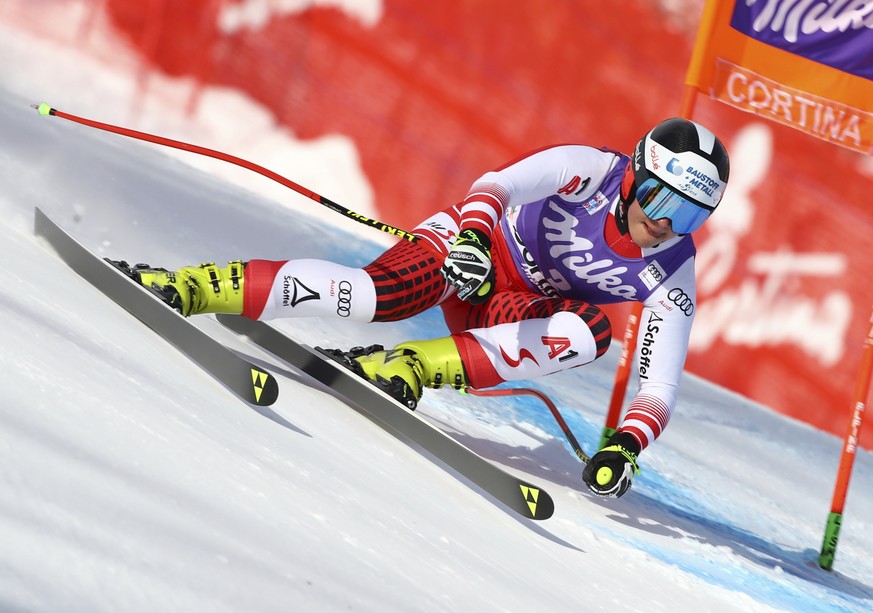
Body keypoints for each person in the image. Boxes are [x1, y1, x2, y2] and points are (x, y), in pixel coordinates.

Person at [131, 117, 730, 498]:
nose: (663, 223)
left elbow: (658, 385)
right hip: (475, 246)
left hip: (510, 310)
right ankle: (196, 285)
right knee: (370, 297)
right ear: (635, 177)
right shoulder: (592, 171)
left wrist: (626, 443)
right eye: (658, 198)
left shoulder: (672, 270)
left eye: (689, 216)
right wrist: (471, 240)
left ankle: (410, 368)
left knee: (589, 332)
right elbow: (498, 185)